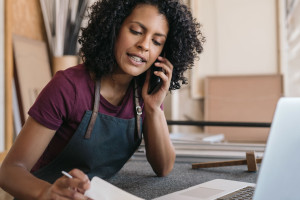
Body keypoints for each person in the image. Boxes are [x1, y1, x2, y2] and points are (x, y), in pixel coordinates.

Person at [0, 0, 204, 199]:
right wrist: (46, 193)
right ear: (114, 27)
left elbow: (163, 167)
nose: (144, 45)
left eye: (156, 41)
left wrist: (153, 108)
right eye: (136, 31)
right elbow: (9, 171)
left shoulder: (144, 94)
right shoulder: (68, 87)